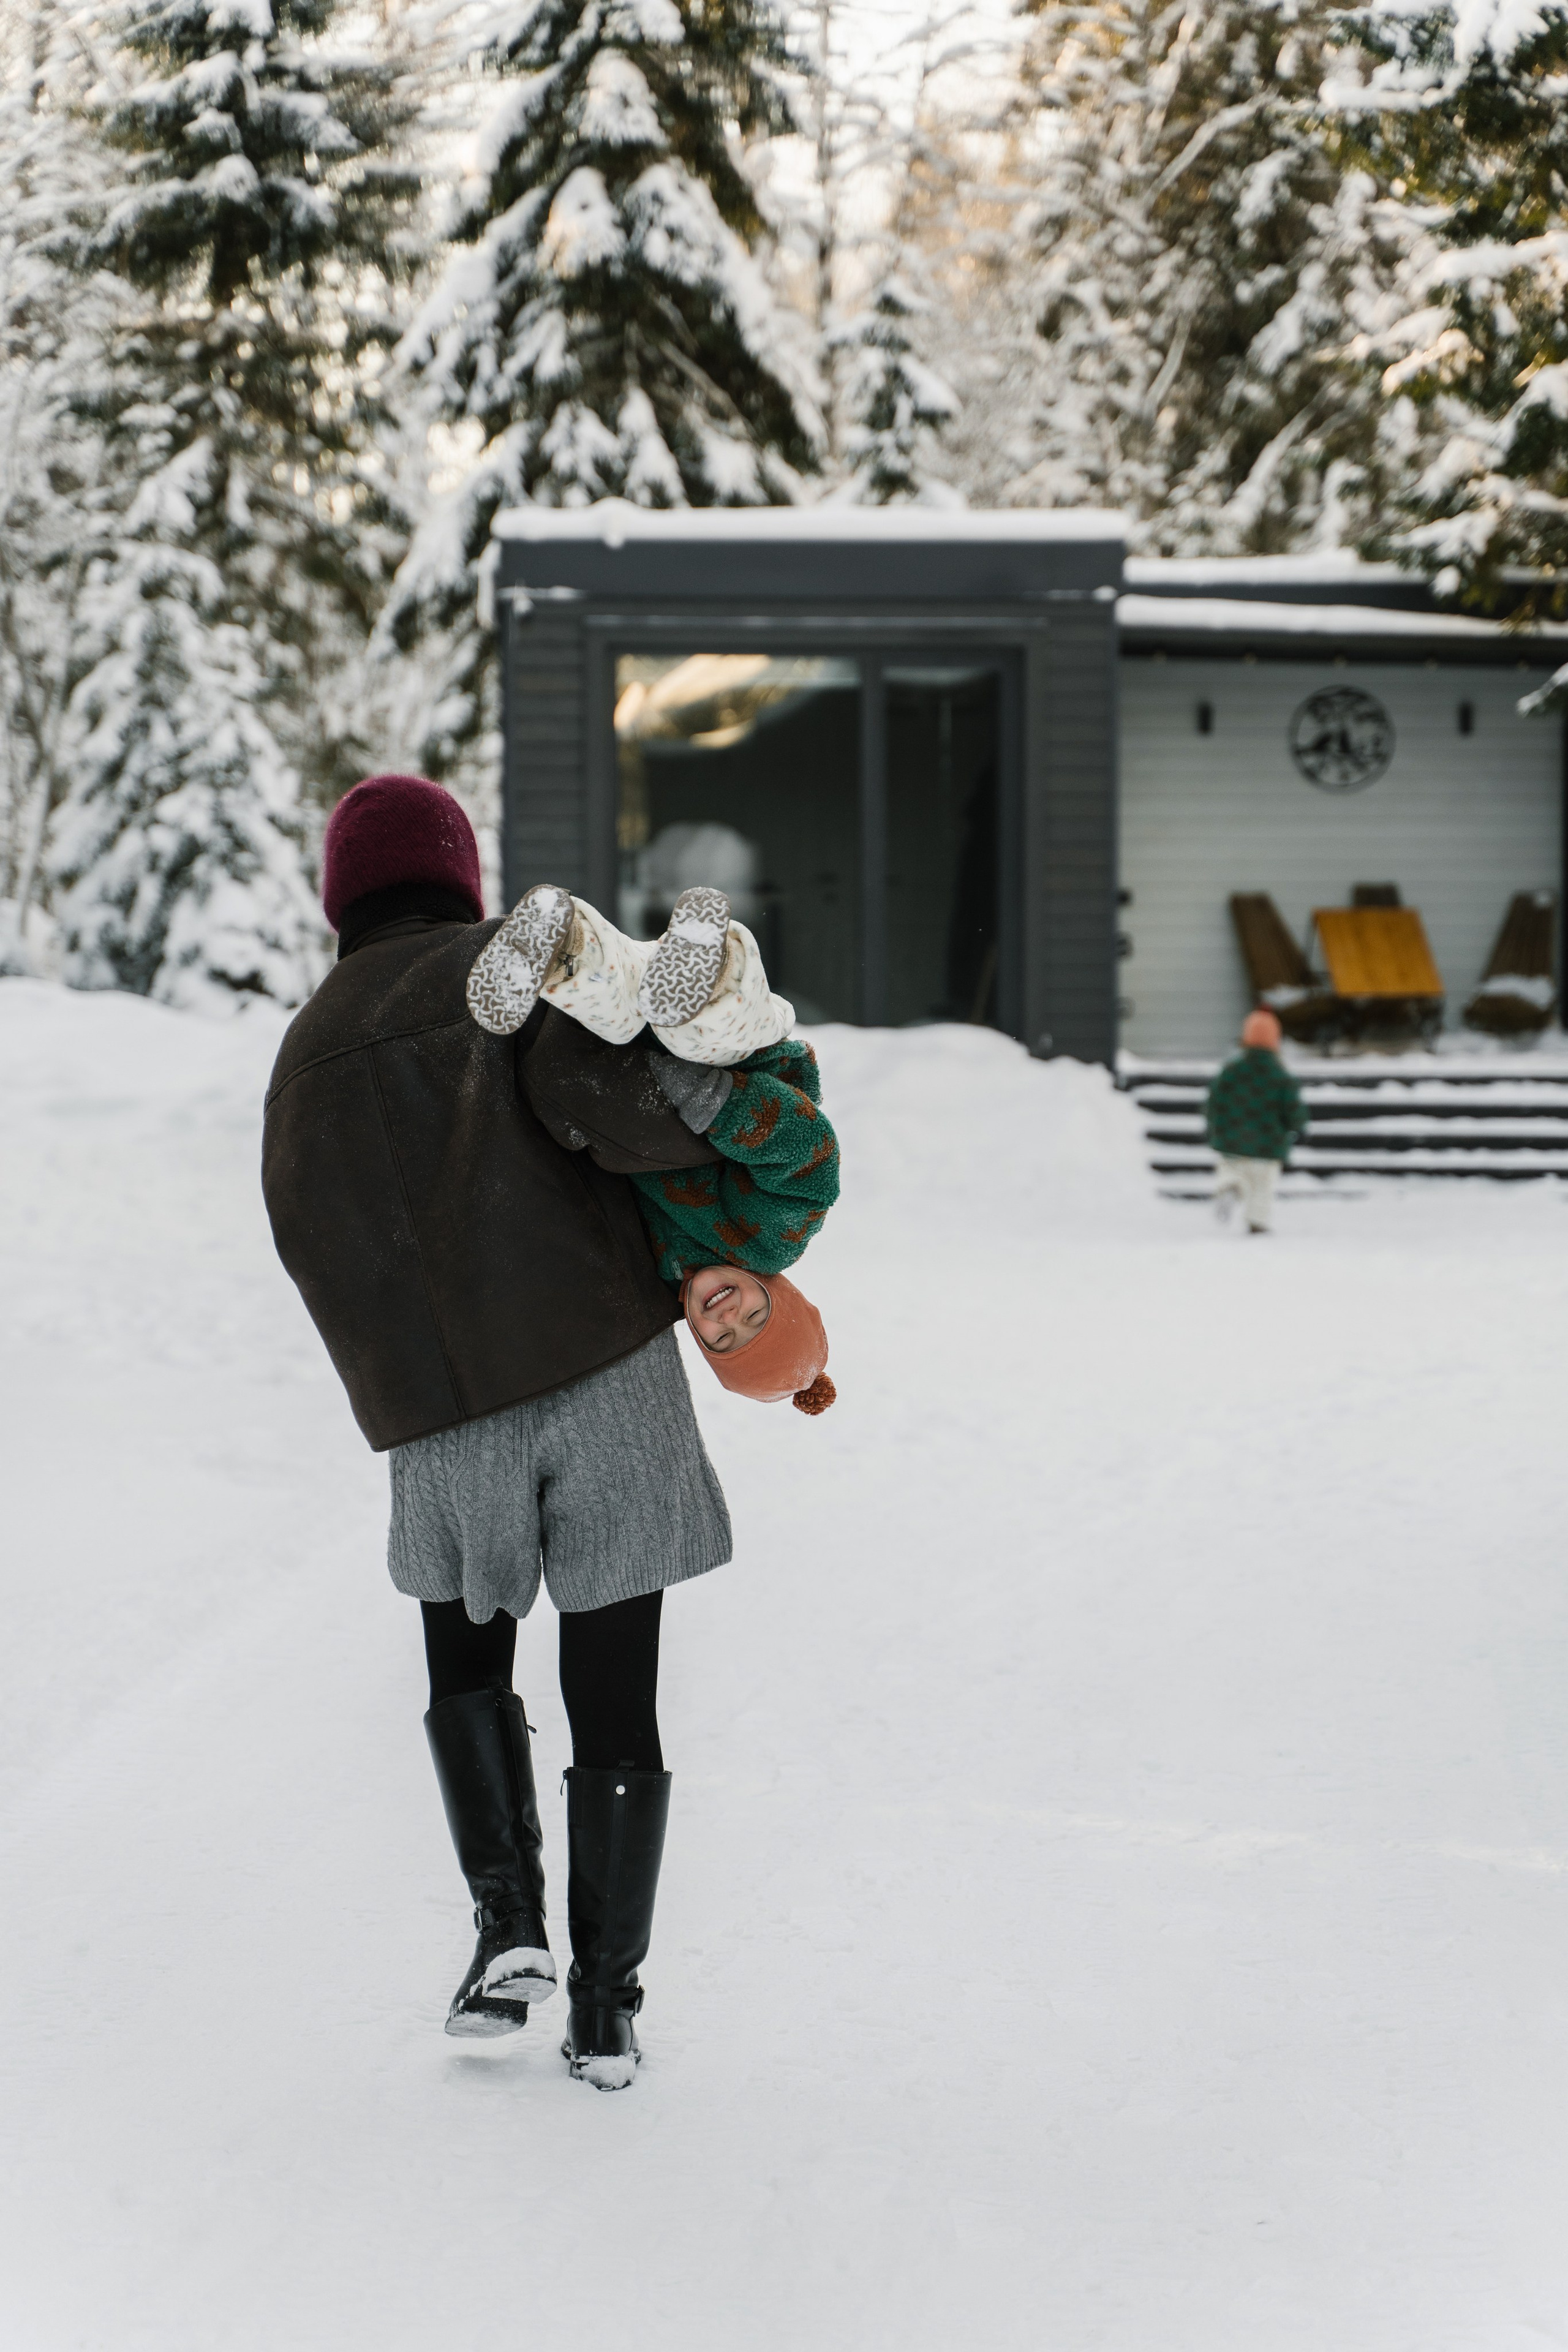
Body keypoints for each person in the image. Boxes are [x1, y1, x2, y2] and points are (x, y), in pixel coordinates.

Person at [260, 774, 835, 2092]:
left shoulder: (303, 1051)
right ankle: (605, 2011)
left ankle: (502, 1930)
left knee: (468, 1664)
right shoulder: (507, 981)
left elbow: (307, 1235)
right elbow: (609, 1109)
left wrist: (398, 1378)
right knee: (613, 1687)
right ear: (458, 877)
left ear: (340, 895)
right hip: (601, 1368)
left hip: (440, 1412)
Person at [1204, 1007, 1308, 1234]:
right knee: (1263, 1186)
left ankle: (1231, 1187)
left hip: (1232, 1139)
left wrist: (1212, 1124)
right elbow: (1292, 1107)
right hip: (1268, 1145)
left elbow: (1215, 1100)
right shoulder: (1280, 1076)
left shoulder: (1231, 1071)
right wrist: (1298, 1125)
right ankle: (1257, 1222)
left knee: (1232, 1169)